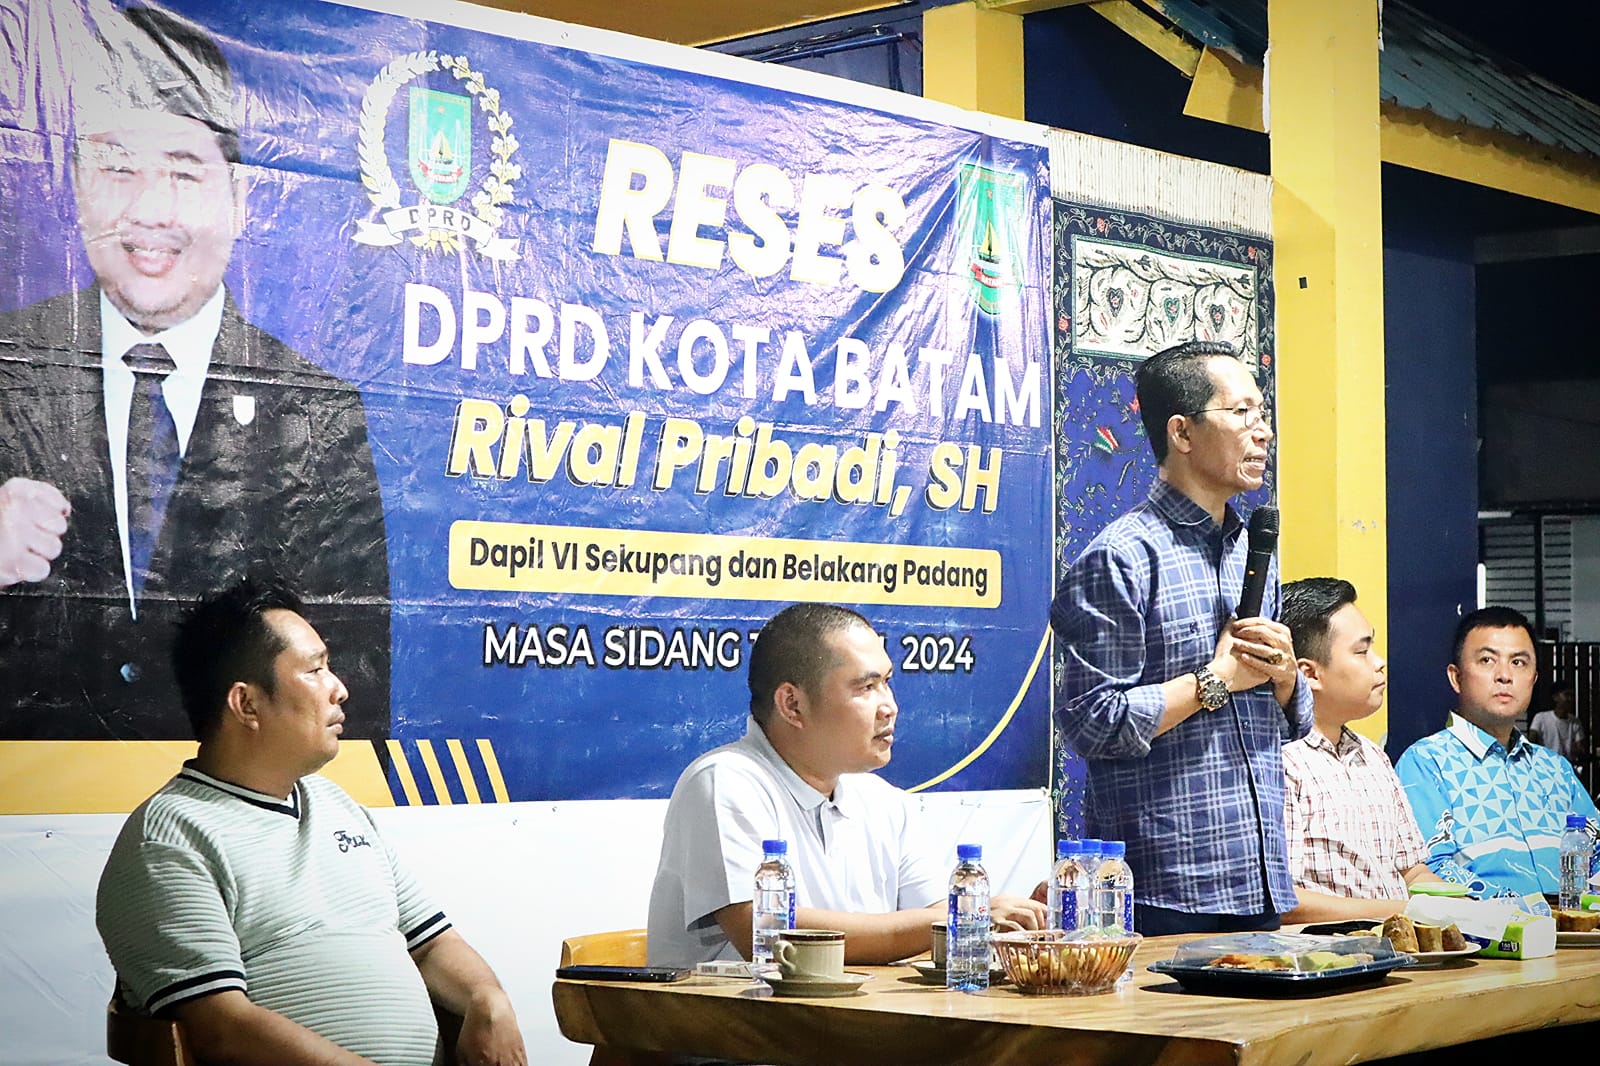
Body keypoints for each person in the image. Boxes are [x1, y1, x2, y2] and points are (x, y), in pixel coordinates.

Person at [0, 5, 389, 740]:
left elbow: (357, 686)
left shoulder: (317, 412)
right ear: (77, 185)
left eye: (183, 172)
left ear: (238, 198)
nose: (150, 210)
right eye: (118, 168)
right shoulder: (8, 365)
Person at [96, 577, 524, 1066]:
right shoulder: (170, 839)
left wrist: (489, 1000)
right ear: (247, 704)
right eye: (315, 670)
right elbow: (220, 1028)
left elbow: (431, 945)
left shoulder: (336, 806)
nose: (339, 689)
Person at [1050, 339, 1312, 936]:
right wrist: (1214, 681)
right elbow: (1091, 723)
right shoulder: (1121, 558)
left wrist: (1284, 677)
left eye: (1263, 412)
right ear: (1182, 432)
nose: (1264, 432)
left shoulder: (1253, 551)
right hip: (1168, 890)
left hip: (1260, 879)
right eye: (1241, 412)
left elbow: (1289, 723)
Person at [647, 602, 1046, 967]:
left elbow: (934, 924)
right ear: (792, 705)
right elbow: (764, 934)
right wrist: (967, 916)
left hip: (862, 1017)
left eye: (887, 683)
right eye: (866, 688)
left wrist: (1015, 925)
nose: (890, 706)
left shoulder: (883, 801)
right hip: (741, 1021)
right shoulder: (725, 781)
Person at [1396, 606, 1599, 900]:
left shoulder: (1556, 769)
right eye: (1487, 660)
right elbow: (1430, 868)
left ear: (1534, 678)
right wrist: (1520, 911)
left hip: (1575, 924)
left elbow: (1596, 853)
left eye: (1518, 662)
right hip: (1483, 927)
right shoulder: (1426, 763)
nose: (1504, 675)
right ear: (1456, 677)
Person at [1278, 578, 1445, 921]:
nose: (1379, 662)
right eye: (1361, 651)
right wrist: (1403, 912)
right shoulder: (1283, 761)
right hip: (1332, 949)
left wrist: (1472, 911)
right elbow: (1286, 901)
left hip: (1400, 941)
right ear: (1309, 674)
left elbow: (1412, 872)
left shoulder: (1374, 756)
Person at [1528, 680, 1586, 770]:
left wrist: (1577, 750)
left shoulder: (1575, 722)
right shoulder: (1541, 718)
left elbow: (1580, 748)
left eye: (1572, 696)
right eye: (1567, 695)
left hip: (1565, 768)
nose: (1570, 699)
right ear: (1555, 697)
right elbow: (1531, 740)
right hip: (1545, 767)